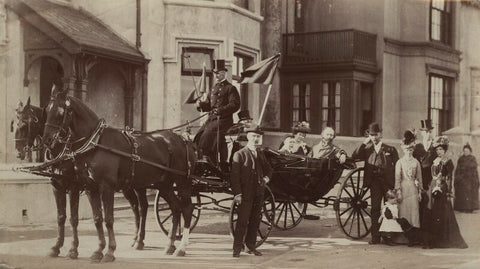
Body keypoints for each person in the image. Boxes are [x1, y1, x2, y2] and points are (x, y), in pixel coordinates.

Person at [352, 122, 399, 245]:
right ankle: (375, 237)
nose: (374, 137)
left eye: (375, 134)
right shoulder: (367, 149)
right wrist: (364, 142)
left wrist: (396, 184)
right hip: (374, 183)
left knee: (390, 208)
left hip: (388, 183)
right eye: (371, 135)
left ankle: (388, 236)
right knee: (375, 209)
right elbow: (355, 155)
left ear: (380, 134)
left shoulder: (390, 149)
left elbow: (397, 166)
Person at [230, 124, 273, 258]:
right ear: (248, 137)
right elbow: (234, 177)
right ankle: (237, 249)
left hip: (258, 193)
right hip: (245, 194)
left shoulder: (260, 154)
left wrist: (266, 178)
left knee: (255, 221)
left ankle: (251, 246)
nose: (256, 139)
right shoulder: (240, 154)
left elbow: (269, 169)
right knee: (242, 221)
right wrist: (237, 194)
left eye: (258, 137)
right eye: (253, 136)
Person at [195, 59, 241, 169]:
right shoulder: (214, 88)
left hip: (224, 120)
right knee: (199, 134)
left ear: (224, 73)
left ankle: (208, 159)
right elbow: (210, 106)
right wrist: (200, 105)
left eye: (218, 73)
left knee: (208, 133)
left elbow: (235, 104)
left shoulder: (230, 88)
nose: (216, 76)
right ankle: (204, 159)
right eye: (215, 73)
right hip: (212, 119)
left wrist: (220, 110)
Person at [424, 136, 468, 249]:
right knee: (432, 212)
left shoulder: (448, 162)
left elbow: (449, 178)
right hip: (432, 187)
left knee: (441, 213)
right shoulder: (434, 161)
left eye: (441, 150)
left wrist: (447, 191)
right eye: (437, 150)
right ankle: (432, 240)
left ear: (445, 150)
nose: (439, 152)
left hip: (442, 188)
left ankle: (441, 240)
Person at [395, 130, 423, 232]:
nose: (409, 152)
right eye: (407, 150)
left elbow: (419, 178)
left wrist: (420, 191)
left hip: (413, 190)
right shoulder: (400, 162)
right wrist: (398, 191)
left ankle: (414, 236)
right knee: (403, 211)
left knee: (413, 211)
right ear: (403, 150)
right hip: (403, 188)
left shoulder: (416, 162)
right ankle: (402, 236)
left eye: (411, 150)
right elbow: (397, 179)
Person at [454, 144, 479, 213]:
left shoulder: (472, 158)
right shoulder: (461, 159)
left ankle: (470, 208)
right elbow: (458, 169)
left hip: (470, 179)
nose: (466, 152)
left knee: (470, 193)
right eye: (464, 151)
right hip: (462, 178)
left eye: (467, 151)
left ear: (470, 151)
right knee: (462, 193)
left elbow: (474, 170)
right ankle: (462, 207)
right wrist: (458, 177)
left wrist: (476, 180)